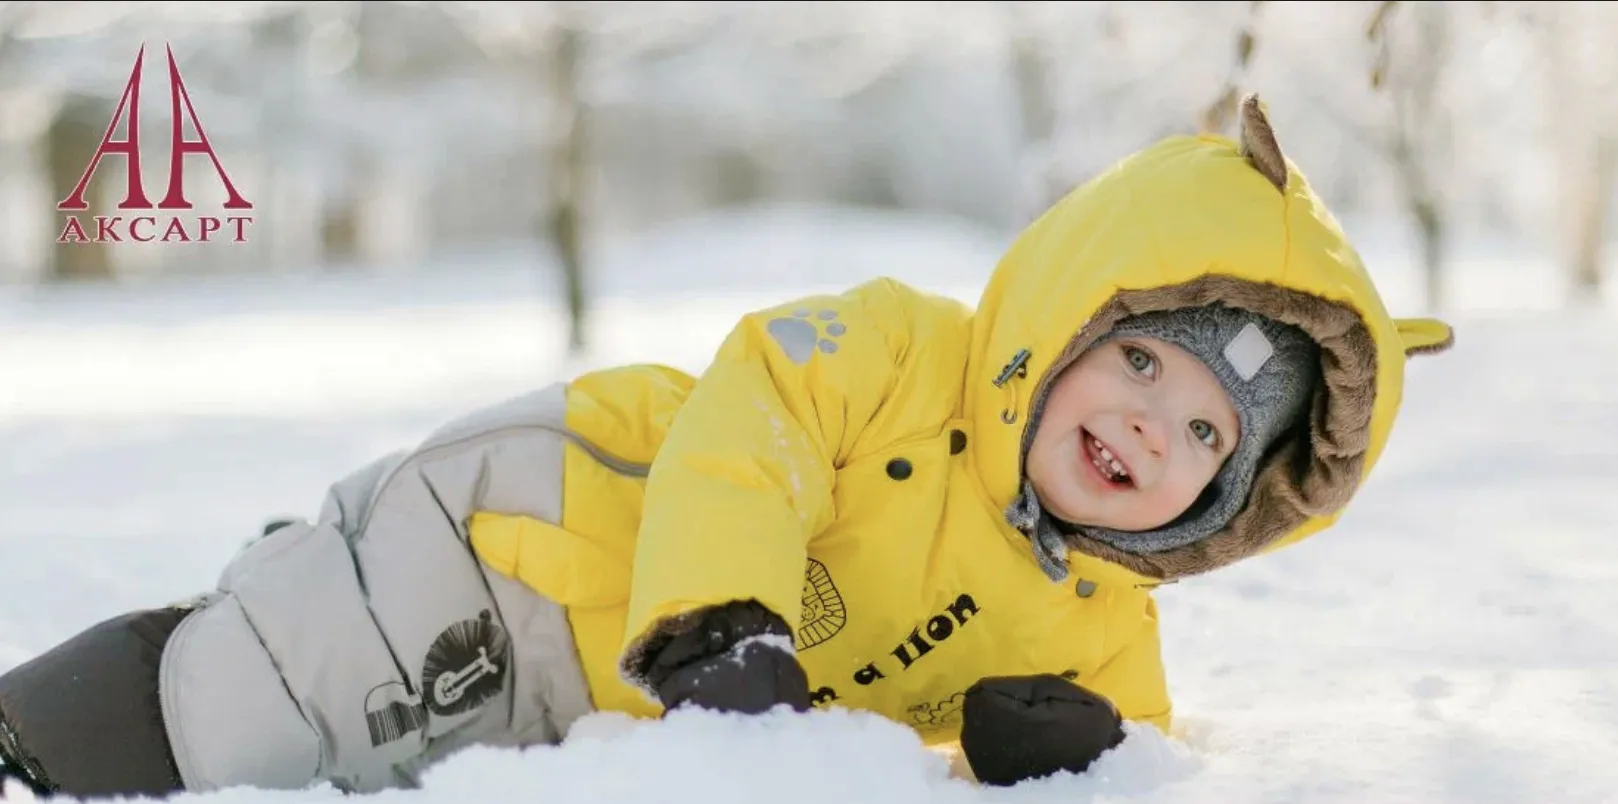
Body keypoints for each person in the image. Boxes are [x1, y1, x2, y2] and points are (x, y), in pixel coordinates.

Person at [0, 95, 1454, 800]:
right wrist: (724, 615)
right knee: (248, 699)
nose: (1150, 419)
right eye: (1139, 355)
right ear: (1059, 322)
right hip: (524, 545)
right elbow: (755, 418)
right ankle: (31, 733)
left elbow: (1142, 759)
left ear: (1239, 498)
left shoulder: (1099, 620)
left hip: (594, 717)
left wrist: (1060, 753)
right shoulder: (901, 349)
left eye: (1204, 429)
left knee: (364, 777)